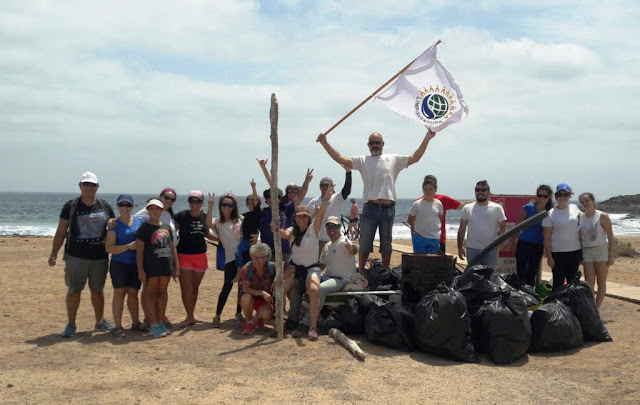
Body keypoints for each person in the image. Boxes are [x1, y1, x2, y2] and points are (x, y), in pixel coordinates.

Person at [317, 129, 436, 273]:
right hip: (370, 208)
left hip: (388, 209)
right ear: (368, 145)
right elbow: (341, 158)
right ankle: (361, 273)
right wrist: (325, 143)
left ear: (382, 144)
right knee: (365, 243)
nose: (375, 145)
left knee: (386, 245)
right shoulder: (363, 160)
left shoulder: (394, 159)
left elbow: (415, 157)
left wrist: (427, 138)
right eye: (372, 143)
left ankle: (385, 274)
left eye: (377, 142)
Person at [48, 171, 116, 338]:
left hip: (99, 257)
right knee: (74, 290)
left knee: (97, 291)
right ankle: (71, 324)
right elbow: (61, 231)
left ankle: (100, 321)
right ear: (80, 186)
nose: (89, 188)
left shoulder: (105, 206)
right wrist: (54, 253)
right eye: (86, 184)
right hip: (75, 257)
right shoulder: (70, 206)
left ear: (97, 187)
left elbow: (114, 229)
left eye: (92, 185)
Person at [277, 186, 333, 341]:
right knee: (280, 289)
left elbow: (320, 215)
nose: (302, 219)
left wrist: (326, 200)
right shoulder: (291, 230)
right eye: (299, 217)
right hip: (295, 269)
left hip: (311, 269)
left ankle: (313, 327)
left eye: (304, 217)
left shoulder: (313, 229)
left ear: (308, 218)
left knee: (314, 289)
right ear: (295, 218)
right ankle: (279, 321)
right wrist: (276, 229)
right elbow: (284, 234)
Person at [297, 216, 358, 334]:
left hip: (342, 279)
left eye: (334, 226)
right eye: (328, 227)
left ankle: (306, 323)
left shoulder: (344, 241)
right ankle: (298, 314)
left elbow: (353, 250)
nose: (331, 229)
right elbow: (321, 265)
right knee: (304, 279)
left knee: (320, 289)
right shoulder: (327, 246)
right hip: (328, 276)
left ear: (339, 227)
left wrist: (352, 248)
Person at [133, 187, 178, 328]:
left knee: (162, 292)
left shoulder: (167, 221)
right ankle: (151, 321)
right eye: (166, 198)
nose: (169, 200)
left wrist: (176, 267)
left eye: (172, 199)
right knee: (149, 293)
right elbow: (139, 250)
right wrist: (140, 270)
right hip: (151, 264)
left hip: (165, 264)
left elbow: (172, 246)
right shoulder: (144, 224)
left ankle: (159, 320)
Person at [105, 194, 144, 338]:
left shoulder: (140, 221)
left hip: (136, 263)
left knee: (133, 293)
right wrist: (128, 247)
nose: (124, 207)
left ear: (133, 206)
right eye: (121, 205)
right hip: (119, 264)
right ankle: (118, 326)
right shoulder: (114, 225)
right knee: (119, 293)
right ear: (117, 206)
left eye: (128, 205)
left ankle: (136, 322)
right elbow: (109, 248)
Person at [238, 243, 295, 335]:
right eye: (255, 257)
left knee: (266, 314)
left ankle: (260, 317)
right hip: (252, 297)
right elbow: (245, 289)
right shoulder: (247, 268)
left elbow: (291, 269)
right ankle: (249, 322)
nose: (257, 260)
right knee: (246, 298)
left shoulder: (272, 266)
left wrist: (278, 278)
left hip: (266, 300)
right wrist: (262, 293)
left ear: (267, 258)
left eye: (261, 257)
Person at [175, 190, 210, 328]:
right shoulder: (181, 216)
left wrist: (224, 241)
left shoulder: (204, 216)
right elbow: (170, 231)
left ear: (202, 203)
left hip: (201, 256)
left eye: (198, 201)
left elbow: (207, 234)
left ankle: (191, 315)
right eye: (192, 201)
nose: (194, 204)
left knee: (195, 287)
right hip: (184, 255)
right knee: (186, 288)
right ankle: (189, 317)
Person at [207, 193, 243, 327]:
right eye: (224, 204)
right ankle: (217, 315)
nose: (227, 207)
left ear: (234, 207)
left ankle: (238, 313)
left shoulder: (240, 219)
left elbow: (250, 231)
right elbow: (207, 224)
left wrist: (256, 235)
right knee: (226, 288)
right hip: (229, 259)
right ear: (220, 206)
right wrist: (210, 206)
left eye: (230, 205)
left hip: (243, 258)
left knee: (242, 288)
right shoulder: (218, 222)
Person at [457, 180, 507, 269]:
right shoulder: (467, 208)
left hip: (491, 249)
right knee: (473, 275)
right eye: (477, 190)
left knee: (488, 275)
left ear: (488, 192)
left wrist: (501, 242)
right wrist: (460, 247)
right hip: (472, 249)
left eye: (483, 190)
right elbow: (462, 229)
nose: (480, 192)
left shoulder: (497, 208)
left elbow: (503, 227)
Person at [511, 185, 553, 287]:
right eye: (540, 195)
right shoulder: (528, 208)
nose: (542, 198)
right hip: (524, 244)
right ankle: (519, 293)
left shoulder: (551, 212)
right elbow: (517, 227)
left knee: (532, 273)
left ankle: (529, 294)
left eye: (545, 196)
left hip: (538, 246)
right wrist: (514, 243)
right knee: (521, 272)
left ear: (549, 197)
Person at [542, 183, 582, 290]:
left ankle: (571, 301)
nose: (563, 197)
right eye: (560, 195)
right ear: (556, 196)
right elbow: (546, 238)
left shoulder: (575, 208)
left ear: (570, 196)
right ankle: (557, 301)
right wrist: (549, 257)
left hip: (575, 251)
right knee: (558, 283)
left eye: (566, 195)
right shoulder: (550, 214)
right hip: (558, 253)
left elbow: (583, 225)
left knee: (572, 283)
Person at [578, 192, 615, 308]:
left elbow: (610, 236)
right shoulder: (580, 217)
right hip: (587, 252)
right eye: (582, 202)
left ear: (593, 201)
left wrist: (611, 255)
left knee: (601, 282)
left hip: (601, 251)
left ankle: (597, 309)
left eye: (587, 201)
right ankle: (591, 308)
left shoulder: (602, 216)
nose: (585, 204)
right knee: (589, 283)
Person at [307, 166, 352, 255]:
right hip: (319, 240)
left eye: (327, 185)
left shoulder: (337, 198)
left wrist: (348, 173)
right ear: (320, 187)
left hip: (335, 239)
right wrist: (315, 213)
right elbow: (307, 219)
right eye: (322, 185)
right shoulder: (314, 202)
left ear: (332, 187)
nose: (325, 187)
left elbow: (346, 190)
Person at [408, 175, 444, 253]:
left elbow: (440, 218)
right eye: (426, 189)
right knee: (420, 259)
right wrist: (417, 231)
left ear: (435, 190)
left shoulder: (439, 204)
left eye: (431, 189)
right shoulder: (417, 204)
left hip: (434, 237)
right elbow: (410, 220)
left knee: (432, 259)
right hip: (420, 237)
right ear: (422, 190)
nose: (428, 192)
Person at [235, 179, 261, 268]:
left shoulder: (257, 213)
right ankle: (241, 269)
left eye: (253, 203)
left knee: (239, 254)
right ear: (246, 205)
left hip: (250, 240)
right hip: (243, 239)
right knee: (241, 255)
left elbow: (256, 200)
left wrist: (253, 187)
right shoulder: (244, 215)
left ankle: (240, 269)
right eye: (249, 203)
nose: (251, 205)